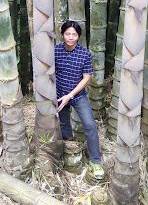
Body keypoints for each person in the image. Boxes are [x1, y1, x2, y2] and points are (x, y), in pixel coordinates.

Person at [55, 20, 105, 180]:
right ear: (62, 34)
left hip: (77, 96)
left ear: (79, 36)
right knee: (63, 125)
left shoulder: (84, 54)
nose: (71, 37)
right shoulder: (55, 51)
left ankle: (96, 161)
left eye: (74, 34)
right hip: (58, 95)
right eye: (68, 34)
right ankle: (69, 150)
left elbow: (87, 78)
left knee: (90, 125)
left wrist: (70, 95)